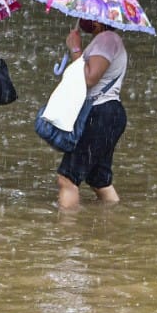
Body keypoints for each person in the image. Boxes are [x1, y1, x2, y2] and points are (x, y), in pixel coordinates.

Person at [56, 18, 127, 209]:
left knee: (67, 178)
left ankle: (66, 233)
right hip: (108, 114)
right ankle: (112, 220)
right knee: (98, 180)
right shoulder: (105, 40)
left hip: (101, 114)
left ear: (96, 21)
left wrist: (75, 48)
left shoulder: (107, 40)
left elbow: (89, 78)